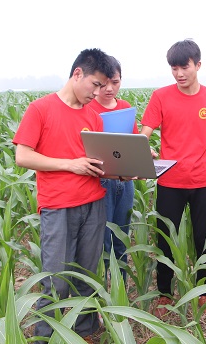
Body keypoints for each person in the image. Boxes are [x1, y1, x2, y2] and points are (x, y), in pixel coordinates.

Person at [13, 48, 115, 343]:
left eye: (102, 86)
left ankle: (85, 332)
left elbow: (95, 161)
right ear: (77, 74)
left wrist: (123, 168)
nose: (97, 93)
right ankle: (45, 337)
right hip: (58, 206)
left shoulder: (93, 117)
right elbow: (23, 156)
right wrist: (70, 164)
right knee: (56, 280)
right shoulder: (41, 109)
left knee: (87, 277)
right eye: (95, 85)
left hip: (93, 204)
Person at [140, 39, 206, 318]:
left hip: (203, 181)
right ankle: (164, 293)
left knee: (204, 237)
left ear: (198, 65)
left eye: (184, 67)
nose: (179, 74)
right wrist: (140, 152)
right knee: (165, 238)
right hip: (169, 182)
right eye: (174, 68)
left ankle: (205, 292)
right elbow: (145, 133)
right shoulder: (161, 96)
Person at [87, 56, 138, 283]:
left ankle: (121, 289)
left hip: (125, 181)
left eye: (115, 82)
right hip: (101, 181)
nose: (109, 89)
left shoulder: (125, 107)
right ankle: (103, 288)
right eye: (104, 83)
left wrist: (143, 151)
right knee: (102, 240)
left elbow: (133, 139)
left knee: (122, 238)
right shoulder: (88, 107)